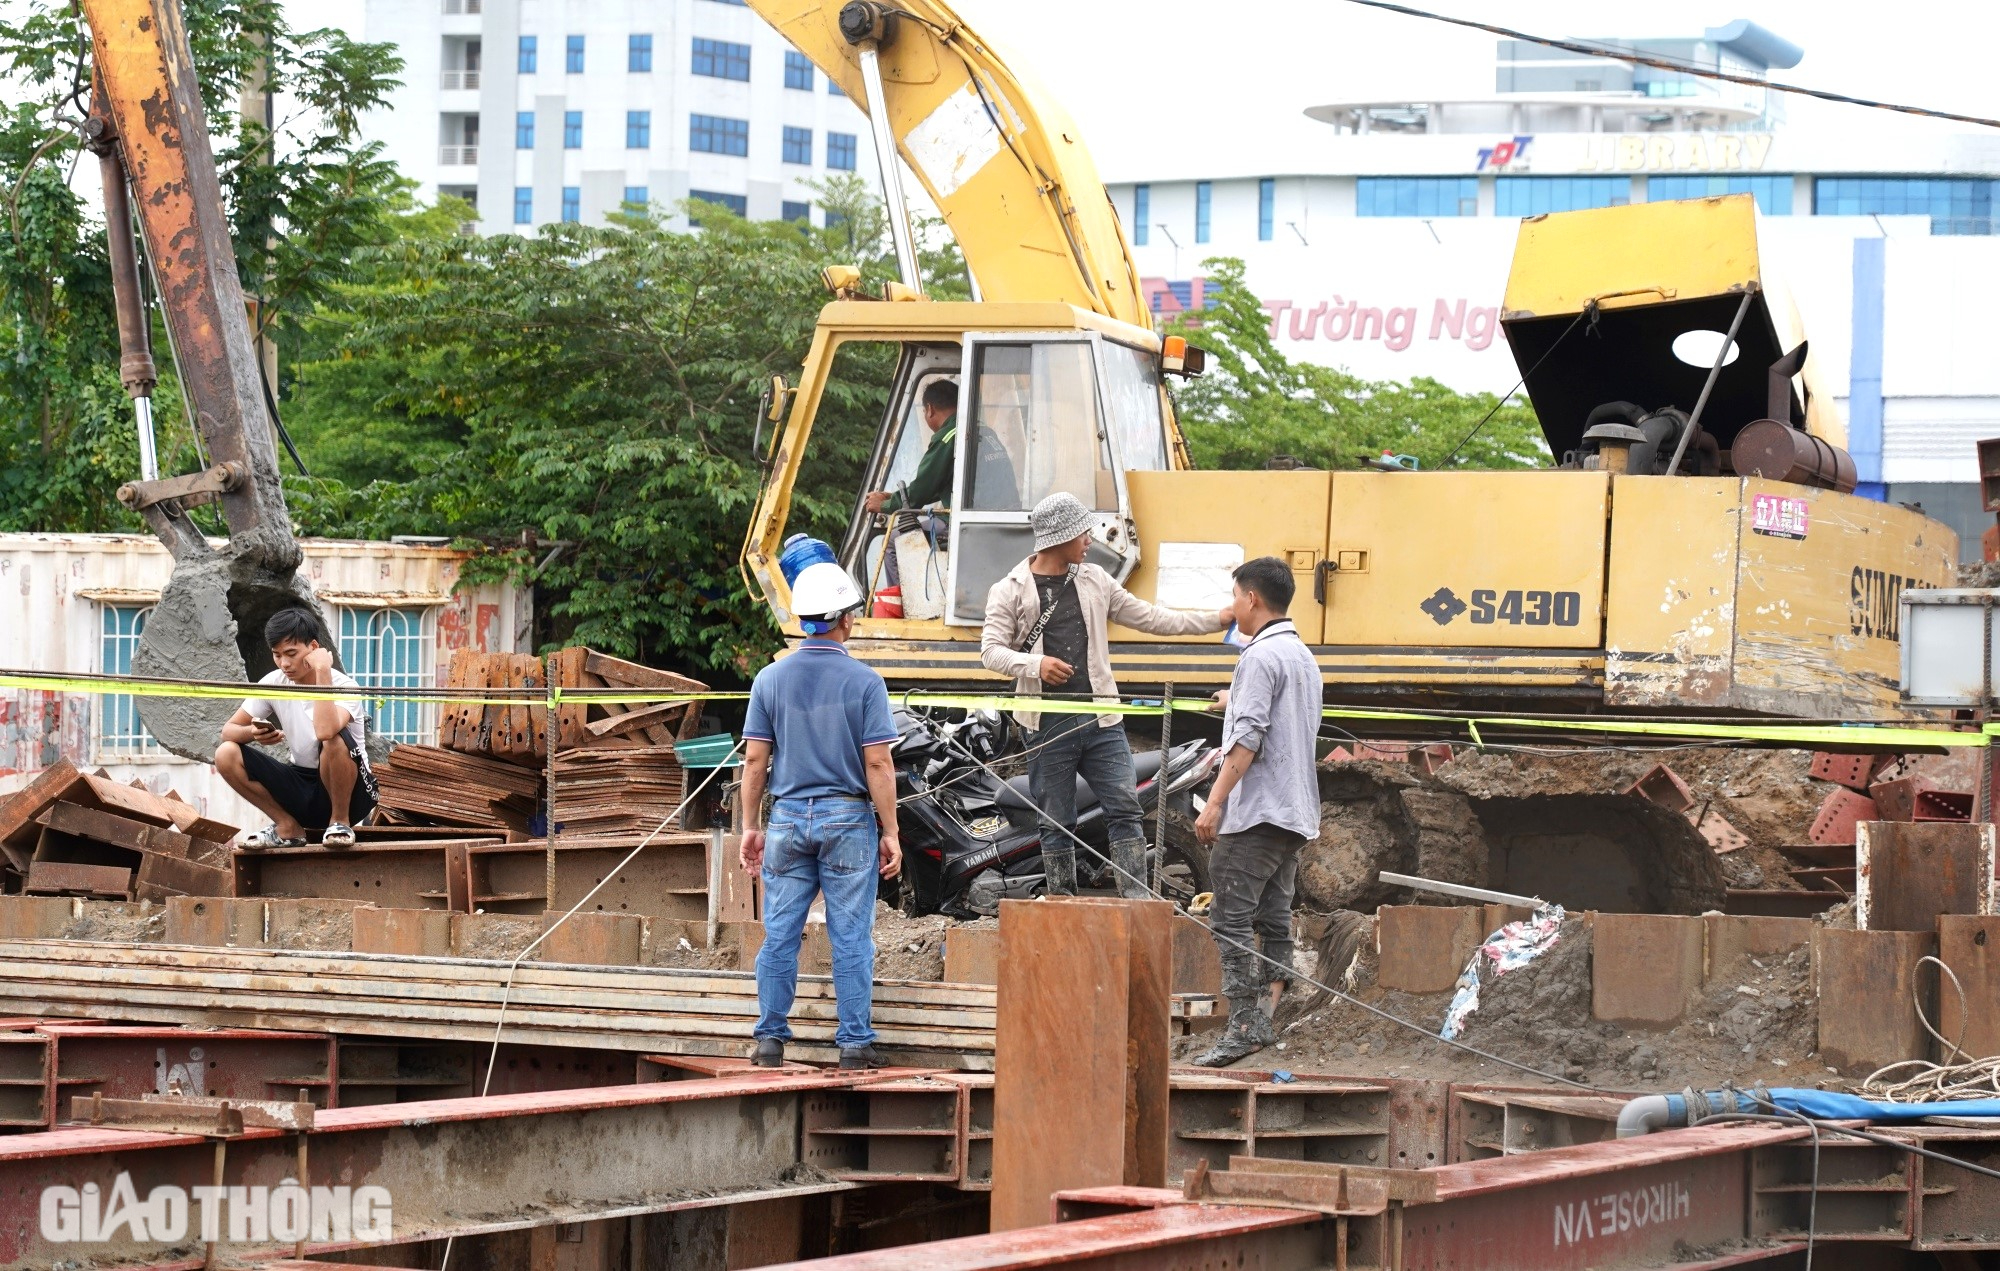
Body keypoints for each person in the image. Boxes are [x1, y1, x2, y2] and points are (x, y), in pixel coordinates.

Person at [980, 492, 1233, 897]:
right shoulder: (1009, 589)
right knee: (1057, 820)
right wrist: (1036, 666)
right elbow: (990, 651)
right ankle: (1062, 903)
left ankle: (1135, 900)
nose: (1089, 541)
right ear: (1058, 538)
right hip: (1045, 723)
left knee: (1126, 809)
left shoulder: (1094, 578)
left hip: (1102, 719)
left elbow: (1150, 617)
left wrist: (1214, 620)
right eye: (1082, 533)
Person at [740, 550, 903, 1070]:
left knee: (781, 932)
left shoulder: (770, 680)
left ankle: (769, 1040)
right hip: (846, 820)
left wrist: (749, 826)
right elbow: (878, 764)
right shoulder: (865, 682)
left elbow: (755, 761)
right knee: (850, 933)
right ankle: (854, 1044)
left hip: (787, 818)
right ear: (844, 619)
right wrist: (891, 831)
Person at [1189, 556, 1323, 1067]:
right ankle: (1267, 1016)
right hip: (1294, 811)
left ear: (1252, 599)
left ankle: (1245, 1026)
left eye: (1235, 598)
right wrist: (1233, 698)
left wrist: (1216, 802)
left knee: (1231, 915)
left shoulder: (1258, 658)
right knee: (1273, 913)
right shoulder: (1301, 656)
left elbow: (1247, 740)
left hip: (1260, 813)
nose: (1232, 609)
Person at [217, 608, 377, 848]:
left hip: (352, 792)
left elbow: (325, 731)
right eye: (277, 655)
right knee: (226, 753)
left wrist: (323, 671)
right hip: (302, 784)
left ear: (313, 648)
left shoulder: (346, 686)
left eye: (291, 653)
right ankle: (287, 826)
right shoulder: (274, 683)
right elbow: (227, 731)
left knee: (333, 738)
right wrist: (253, 733)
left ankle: (339, 823)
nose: (284, 663)